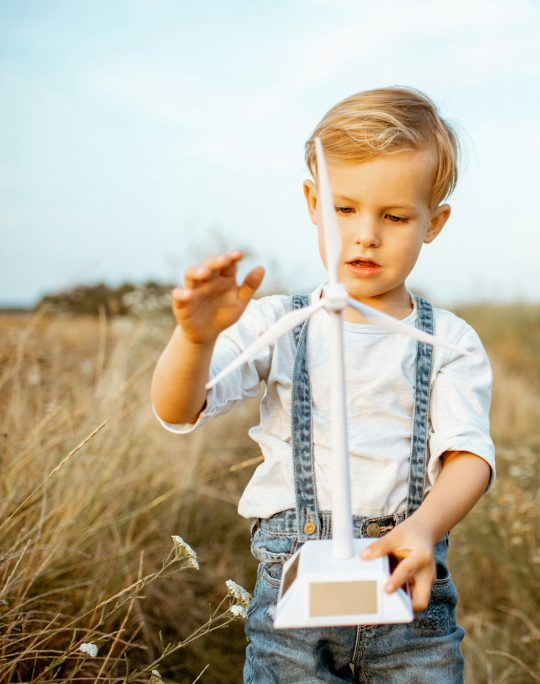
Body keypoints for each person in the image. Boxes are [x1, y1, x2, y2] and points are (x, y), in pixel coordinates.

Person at [150, 86, 495, 682]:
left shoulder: (451, 341)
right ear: (313, 201)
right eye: (345, 209)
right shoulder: (275, 323)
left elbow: (469, 456)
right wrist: (196, 337)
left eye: (394, 216)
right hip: (294, 610)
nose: (365, 235)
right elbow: (179, 408)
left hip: (406, 597)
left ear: (433, 223)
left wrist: (422, 528)